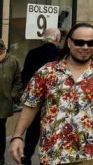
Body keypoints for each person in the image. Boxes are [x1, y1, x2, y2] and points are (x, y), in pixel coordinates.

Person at [10, 23, 93, 165]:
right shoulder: (47, 72)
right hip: (53, 155)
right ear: (69, 42)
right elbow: (31, 105)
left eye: (91, 43)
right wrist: (17, 136)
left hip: (90, 156)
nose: (85, 47)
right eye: (80, 42)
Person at [19, 28, 61, 165]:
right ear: (57, 39)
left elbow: (25, 75)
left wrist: (30, 93)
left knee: (33, 129)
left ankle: (27, 155)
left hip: (36, 98)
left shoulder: (32, 53)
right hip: (55, 99)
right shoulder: (60, 55)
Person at [0, 38, 22, 164]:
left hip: (4, 102)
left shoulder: (12, 61)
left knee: (0, 131)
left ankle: (0, 157)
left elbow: (18, 80)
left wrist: (13, 95)